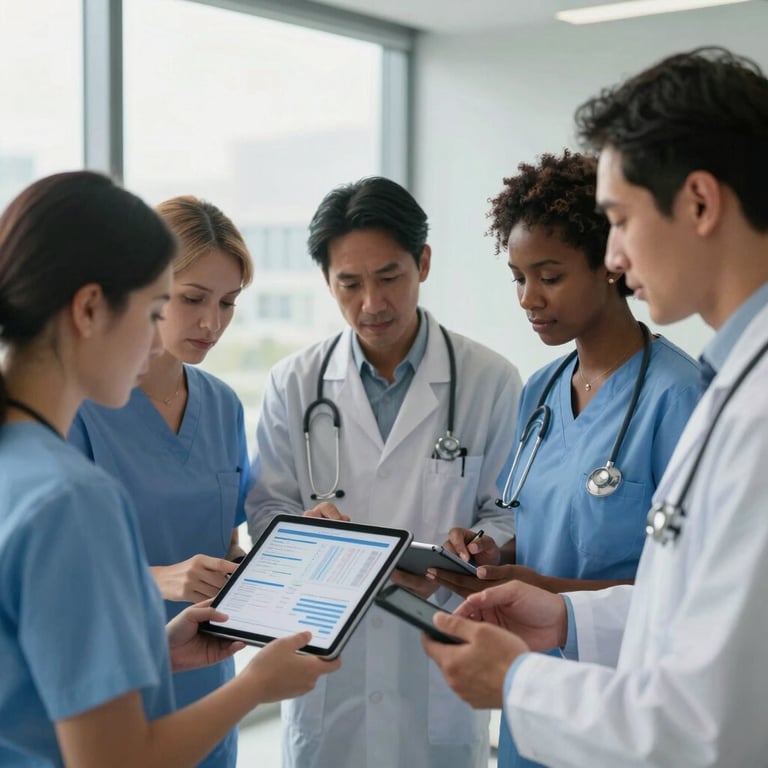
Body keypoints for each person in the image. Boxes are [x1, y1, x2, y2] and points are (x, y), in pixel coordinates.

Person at [422, 47, 768, 767]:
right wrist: (566, 614)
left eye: (619, 219)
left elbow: (710, 720)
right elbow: (693, 612)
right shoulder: (734, 382)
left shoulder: (727, 402)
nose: (613, 256)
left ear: (699, 202)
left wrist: (517, 681)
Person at [0, 171, 339, 767]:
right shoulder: (71, 497)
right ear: (89, 309)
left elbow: (28, 675)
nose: (160, 340)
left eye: (227, 304)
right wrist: (256, 684)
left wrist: (161, 653)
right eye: (159, 307)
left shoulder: (20, 467)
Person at [430, 150, 700, 768]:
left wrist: (546, 591)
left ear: (609, 264)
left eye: (548, 276)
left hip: (622, 702)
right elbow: (540, 522)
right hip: (530, 691)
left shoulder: (680, 398)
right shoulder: (541, 391)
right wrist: (494, 554)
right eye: (518, 277)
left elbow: (692, 590)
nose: (528, 298)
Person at [246, 176, 523, 768]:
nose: (371, 303)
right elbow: (266, 509)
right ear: (327, 282)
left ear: (422, 262)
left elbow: (506, 512)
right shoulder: (294, 383)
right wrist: (304, 529)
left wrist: (479, 545)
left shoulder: (489, 379)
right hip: (327, 669)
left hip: (436, 658)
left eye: (389, 277)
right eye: (349, 283)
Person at [68, 195, 253, 768]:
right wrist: (163, 578)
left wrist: (262, 564)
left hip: (210, 679)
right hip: (112, 679)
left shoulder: (222, 405)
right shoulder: (80, 407)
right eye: (193, 298)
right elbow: (57, 567)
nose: (211, 322)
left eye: (227, 303)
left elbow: (225, 539)